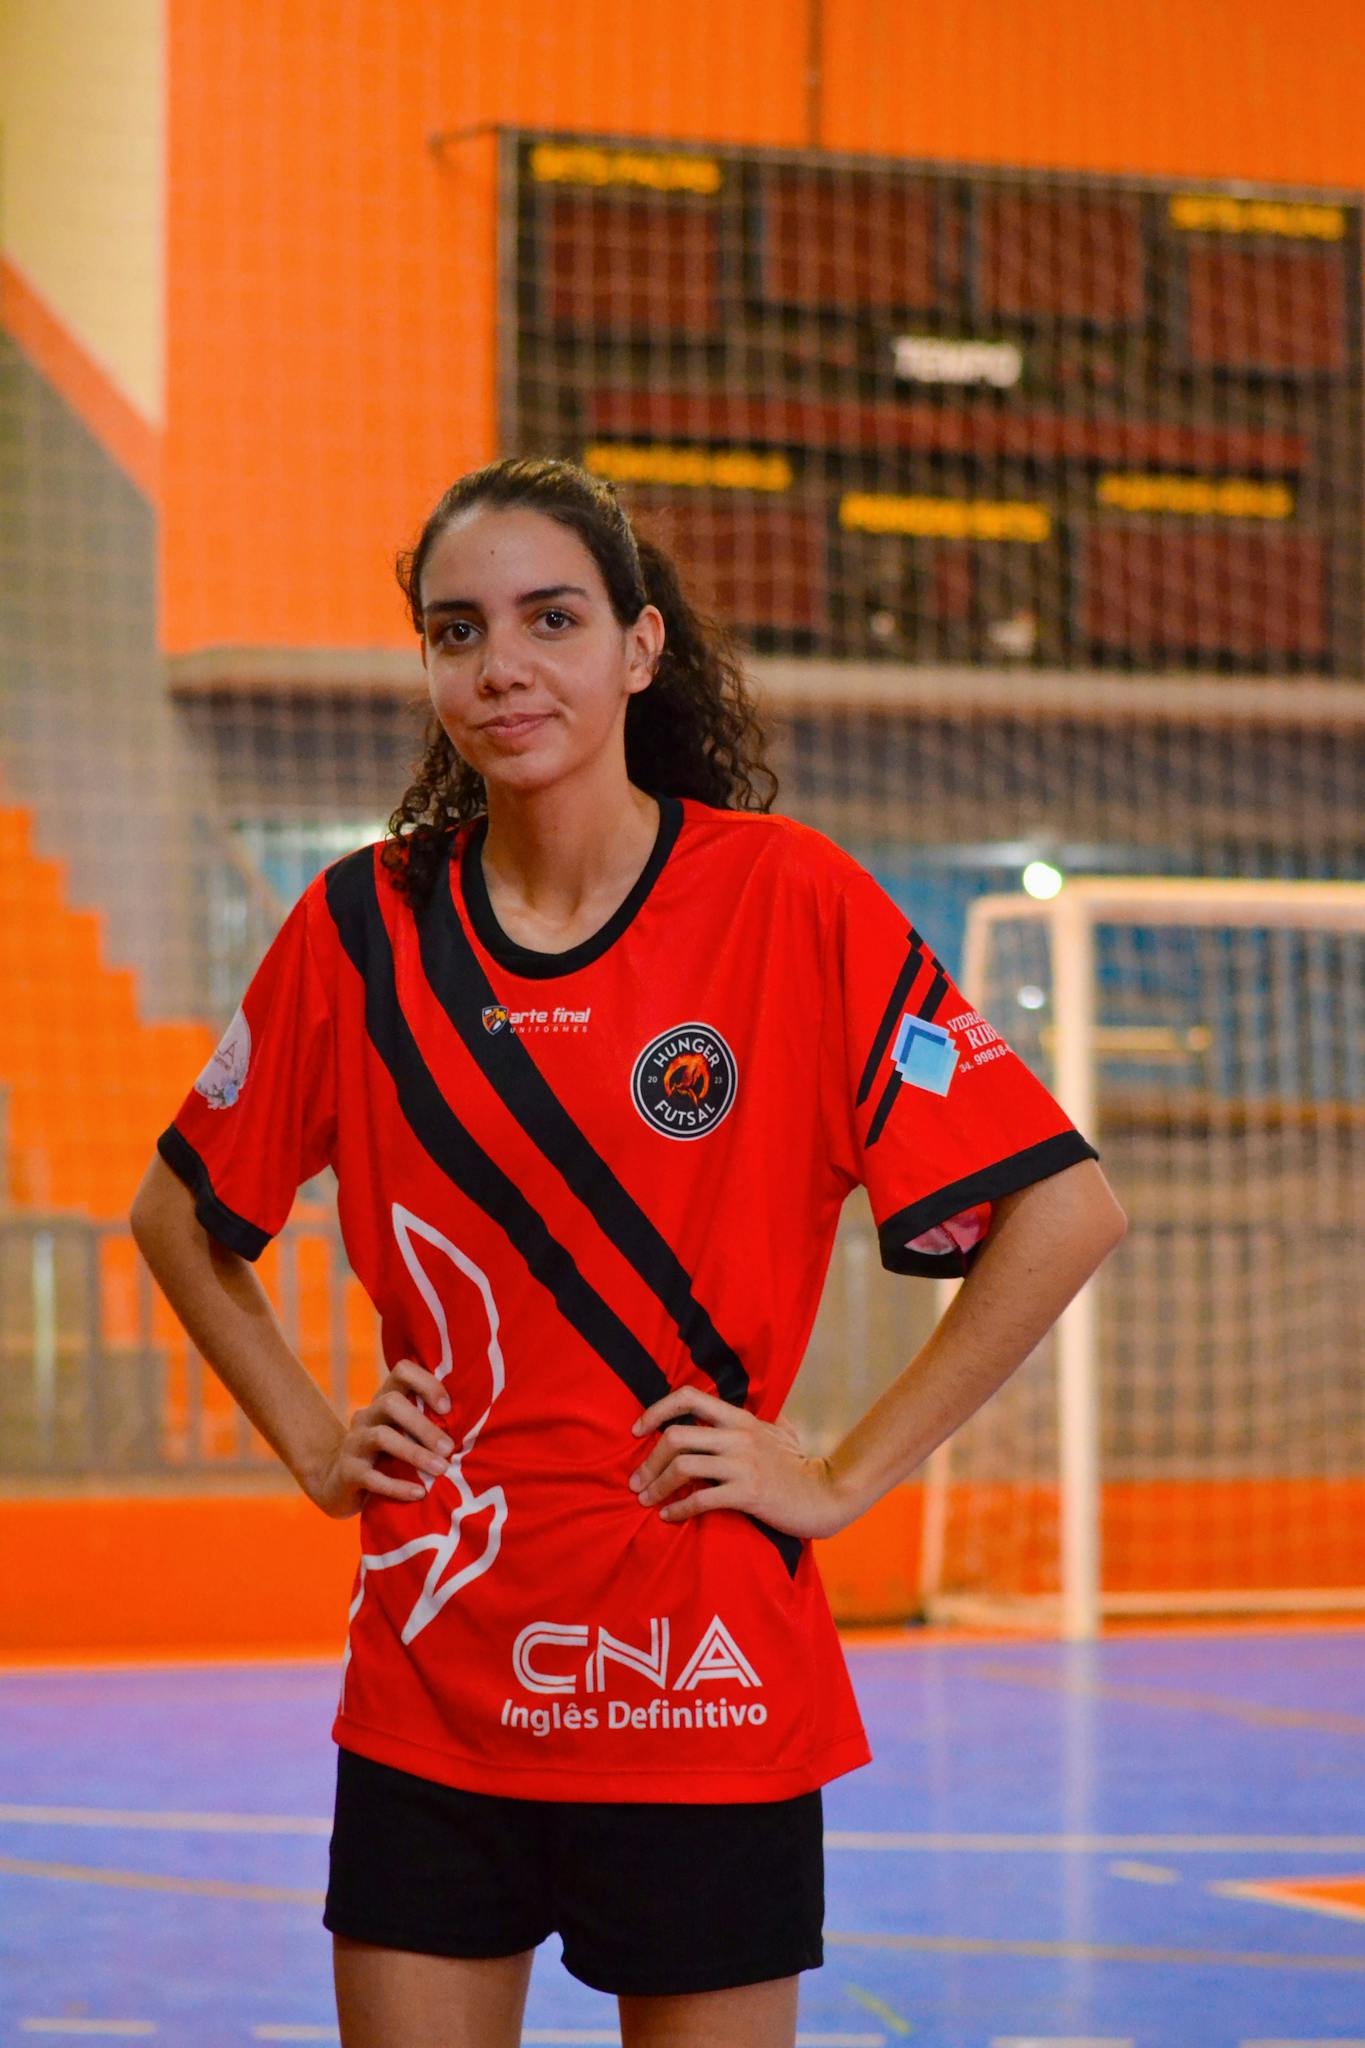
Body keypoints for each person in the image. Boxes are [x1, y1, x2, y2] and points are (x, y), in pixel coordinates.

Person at [130, 455, 1127, 2048]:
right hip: (433, 1667)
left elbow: (1063, 1205)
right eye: (458, 631)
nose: (503, 665)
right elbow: (179, 1215)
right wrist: (317, 1441)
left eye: (551, 619)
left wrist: (844, 1474)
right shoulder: (359, 928)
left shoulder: (787, 903)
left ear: (639, 648)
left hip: (700, 1674)